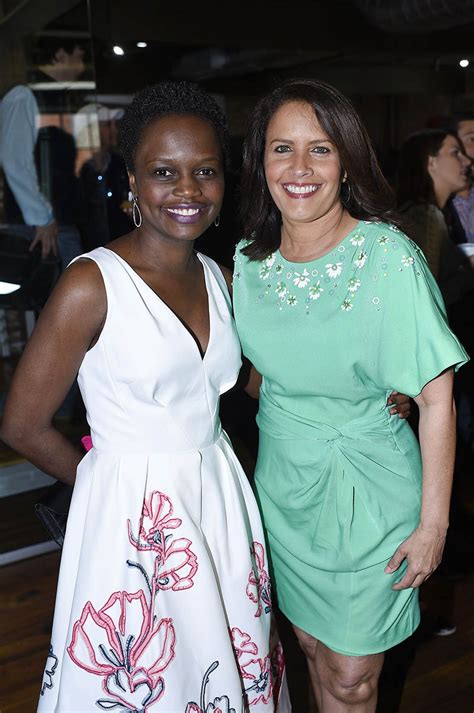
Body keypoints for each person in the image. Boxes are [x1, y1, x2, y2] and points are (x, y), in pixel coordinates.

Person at [1, 81, 290, 712]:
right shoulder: (90, 283)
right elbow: (22, 425)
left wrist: (362, 389)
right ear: (132, 180)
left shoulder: (217, 274)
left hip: (217, 496)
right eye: (165, 173)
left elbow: (247, 379)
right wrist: (112, 490)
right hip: (133, 525)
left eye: (204, 172)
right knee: (149, 683)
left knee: (221, 673)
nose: (187, 191)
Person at [232, 78, 469, 712]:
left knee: (351, 675)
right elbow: (257, 377)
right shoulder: (246, 266)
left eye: (322, 149)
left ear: (347, 163)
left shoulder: (389, 256)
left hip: (372, 496)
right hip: (283, 493)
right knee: (311, 650)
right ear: (260, 161)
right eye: (283, 148)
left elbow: (437, 398)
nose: (300, 168)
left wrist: (434, 525)